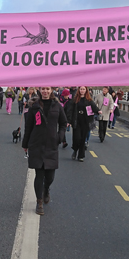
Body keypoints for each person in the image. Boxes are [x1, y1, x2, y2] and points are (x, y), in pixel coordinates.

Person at [22, 87, 67, 215]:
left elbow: (63, 123)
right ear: (40, 90)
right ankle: (39, 201)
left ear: (51, 90)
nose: (45, 91)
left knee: (50, 176)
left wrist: (60, 136)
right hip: (37, 144)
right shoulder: (34, 107)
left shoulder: (57, 106)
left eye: (47, 89)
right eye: (43, 89)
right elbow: (28, 126)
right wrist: (25, 144)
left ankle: (46, 189)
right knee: (39, 174)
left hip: (51, 145)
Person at [65, 86, 100, 162]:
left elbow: (93, 107)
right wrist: (68, 121)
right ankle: (75, 150)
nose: (82, 90)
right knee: (77, 138)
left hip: (85, 122)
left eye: (84, 89)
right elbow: (70, 110)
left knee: (82, 139)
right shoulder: (75, 100)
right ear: (79, 90)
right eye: (81, 89)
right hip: (76, 121)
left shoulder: (88, 100)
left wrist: (98, 111)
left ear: (86, 90)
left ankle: (81, 155)